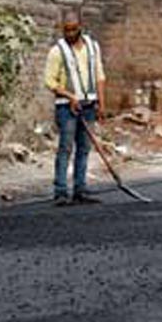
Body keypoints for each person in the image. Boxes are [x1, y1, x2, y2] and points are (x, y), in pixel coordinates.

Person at [43, 11, 107, 206]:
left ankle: (80, 189)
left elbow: (99, 76)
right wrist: (70, 97)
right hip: (67, 109)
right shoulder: (57, 51)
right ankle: (61, 191)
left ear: (80, 26)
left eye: (73, 29)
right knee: (65, 148)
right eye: (66, 30)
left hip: (88, 106)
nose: (69, 34)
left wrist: (101, 104)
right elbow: (50, 81)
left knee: (84, 148)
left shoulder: (93, 48)